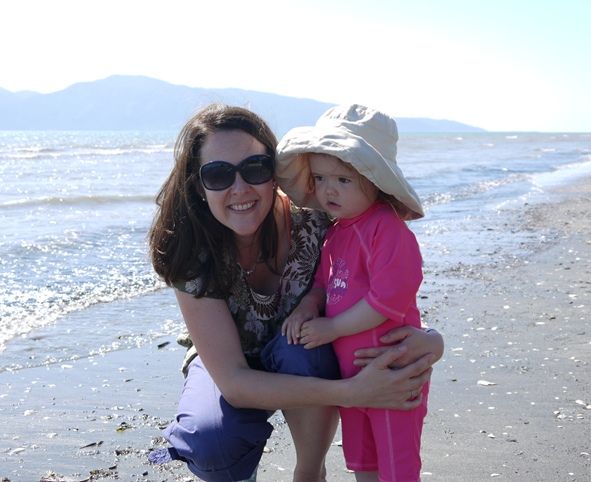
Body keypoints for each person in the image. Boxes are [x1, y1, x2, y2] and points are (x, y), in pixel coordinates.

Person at [147, 103, 443, 482]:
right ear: (197, 185)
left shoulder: (320, 220)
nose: (240, 188)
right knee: (211, 441)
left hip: (304, 353)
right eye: (218, 174)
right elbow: (234, 383)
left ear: (274, 173)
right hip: (229, 363)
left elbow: (384, 283)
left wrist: (432, 341)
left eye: (255, 168)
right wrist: (353, 392)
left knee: (302, 348)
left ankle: (309, 472)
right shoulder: (191, 252)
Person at [277, 104, 430, 482]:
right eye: (320, 178)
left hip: (394, 372)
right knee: (363, 463)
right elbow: (323, 283)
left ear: (376, 180)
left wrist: (332, 329)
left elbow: (387, 300)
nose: (329, 189)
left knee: (397, 468)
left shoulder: (387, 229)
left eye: (343, 179)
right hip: (353, 380)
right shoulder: (336, 232)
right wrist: (308, 306)